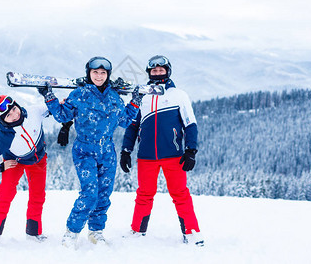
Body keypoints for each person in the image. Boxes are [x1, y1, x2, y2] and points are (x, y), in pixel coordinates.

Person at [37, 56, 143, 248]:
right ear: (89, 73)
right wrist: (49, 97)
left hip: (107, 151)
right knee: (90, 192)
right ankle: (72, 232)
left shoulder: (114, 98)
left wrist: (135, 102)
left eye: (103, 73)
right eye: (95, 72)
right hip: (85, 149)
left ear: (108, 75)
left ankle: (96, 231)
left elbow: (125, 121)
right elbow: (62, 114)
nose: (99, 76)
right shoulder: (79, 95)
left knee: (104, 193)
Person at [120, 55, 204, 247]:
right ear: (149, 73)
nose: (158, 73)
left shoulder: (178, 95)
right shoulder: (142, 96)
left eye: (161, 70)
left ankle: (190, 233)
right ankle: (138, 230)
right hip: (146, 156)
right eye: (154, 71)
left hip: (173, 156)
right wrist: (126, 150)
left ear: (168, 71)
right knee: (144, 194)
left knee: (180, 194)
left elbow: (190, 124)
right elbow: (132, 126)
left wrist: (191, 150)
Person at [0, 95, 50, 248]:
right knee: (5, 194)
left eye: (14, 109)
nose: (15, 115)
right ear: (2, 120)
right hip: (14, 162)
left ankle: (33, 232)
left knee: (38, 195)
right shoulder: (4, 137)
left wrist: (65, 121)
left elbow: (55, 108)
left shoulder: (34, 112)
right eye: (8, 115)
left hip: (38, 160)